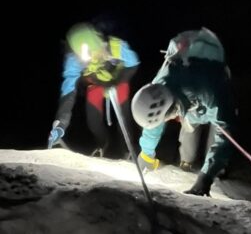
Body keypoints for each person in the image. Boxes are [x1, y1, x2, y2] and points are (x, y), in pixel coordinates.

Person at [131, 28, 237, 196]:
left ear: (172, 108)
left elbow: (226, 134)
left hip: (209, 87)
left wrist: (205, 178)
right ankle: (188, 162)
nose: (171, 120)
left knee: (216, 135)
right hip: (187, 96)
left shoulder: (211, 91)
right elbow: (154, 122)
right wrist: (146, 154)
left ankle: (213, 172)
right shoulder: (157, 87)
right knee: (190, 128)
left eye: (170, 116)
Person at [48, 22, 140, 159]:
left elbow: (133, 63)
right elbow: (68, 90)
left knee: (123, 117)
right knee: (93, 120)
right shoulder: (74, 59)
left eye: (94, 53)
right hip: (96, 83)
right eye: (85, 58)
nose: (91, 59)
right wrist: (60, 124)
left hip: (117, 80)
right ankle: (102, 145)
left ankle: (127, 150)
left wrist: (116, 82)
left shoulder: (116, 46)